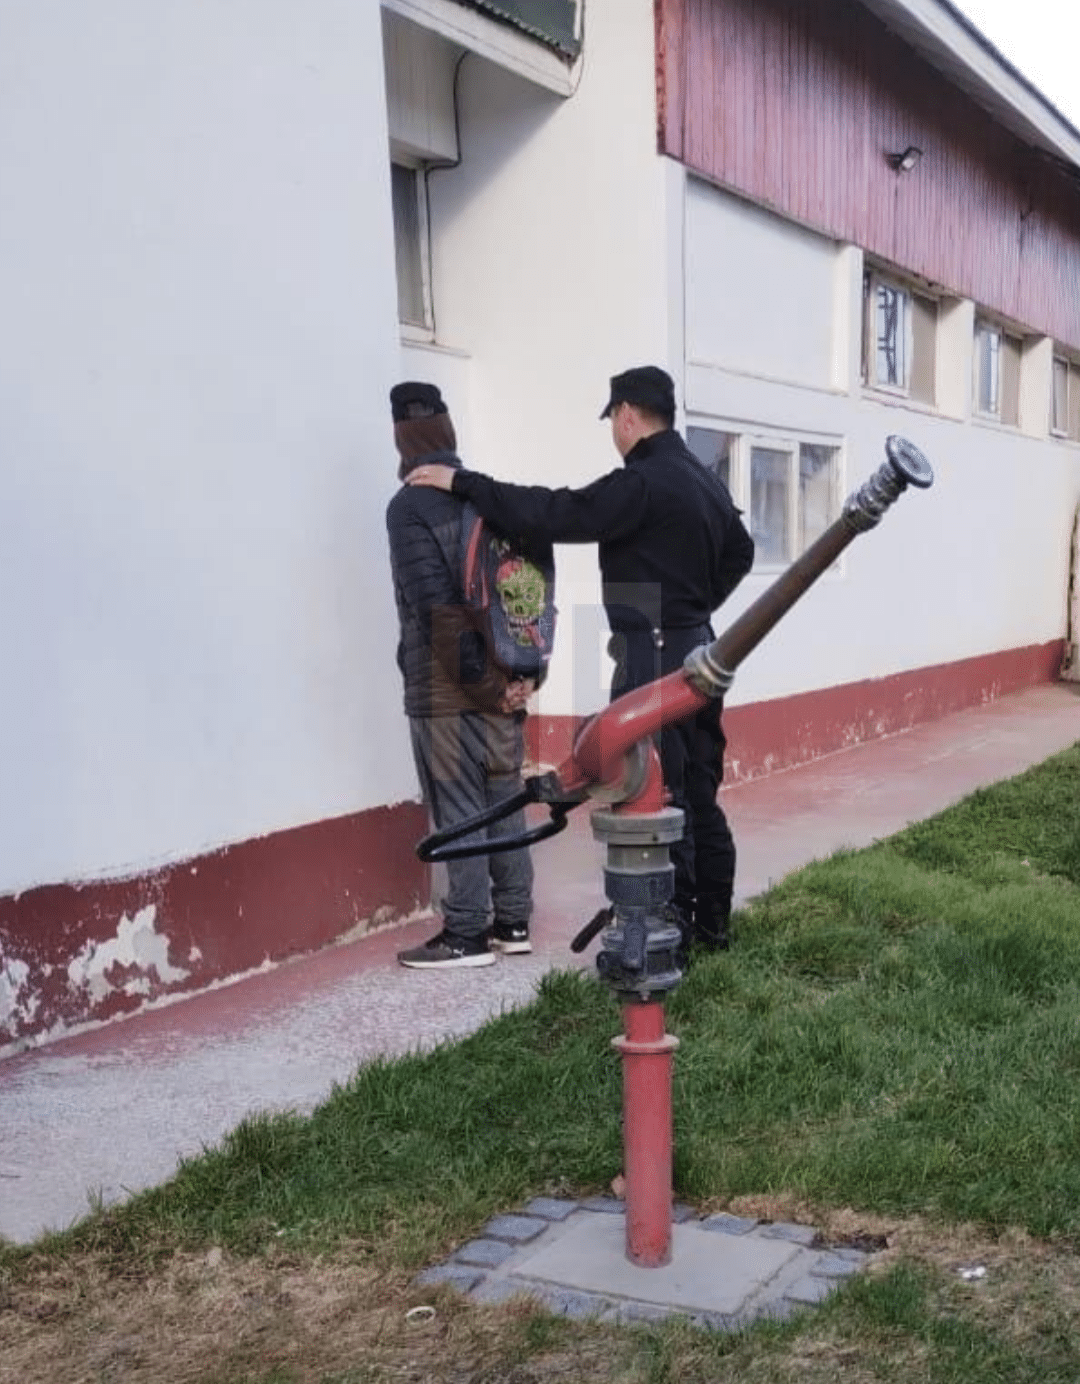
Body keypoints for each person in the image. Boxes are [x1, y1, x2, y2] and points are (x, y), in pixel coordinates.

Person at [406, 366, 754, 953]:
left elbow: (555, 513)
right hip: (699, 647)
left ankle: (673, 935)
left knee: (657, 793)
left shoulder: (642, 482)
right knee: (698, 788)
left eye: (613, 423)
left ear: (626, 415)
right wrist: (694, 608)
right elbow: (740, 551)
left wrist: (465, 484)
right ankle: (711, 929)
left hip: (656, 653)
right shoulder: (702, 478)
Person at [386, 381, 536, 969]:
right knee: (504, 801)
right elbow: (527, 592)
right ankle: (514, 921)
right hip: (504, 684)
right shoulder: (483, 496)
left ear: (400, 436)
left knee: (460, 809)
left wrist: (482, 684)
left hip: (447, 694)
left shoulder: (408, 508)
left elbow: (434, 607)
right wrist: (523, 677)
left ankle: (467, 934)